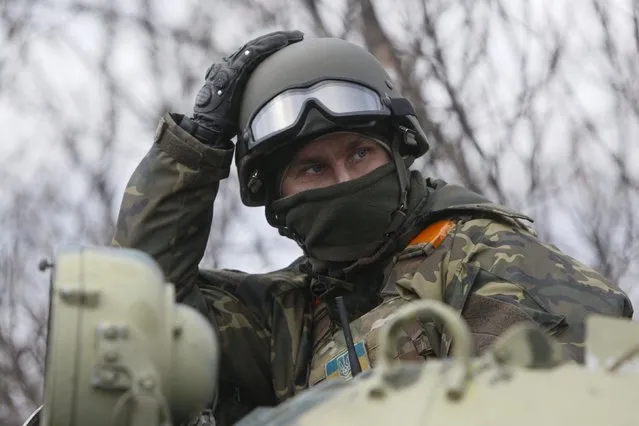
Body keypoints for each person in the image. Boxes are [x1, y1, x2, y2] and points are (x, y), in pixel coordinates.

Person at [112, 31, 633, 424]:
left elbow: (566, 402)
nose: (343, 179)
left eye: (360, 153)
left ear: (401, 153)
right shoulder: (291, 318)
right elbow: (140, 308)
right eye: (312, 168)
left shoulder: (488, 258)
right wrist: (195, 146)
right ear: (275, 201)